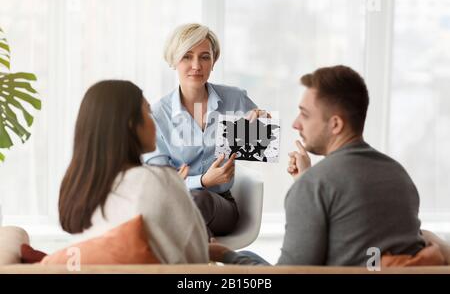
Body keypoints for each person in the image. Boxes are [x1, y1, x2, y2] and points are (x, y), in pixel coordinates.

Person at [209, 65, 427, 266]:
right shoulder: (399, 175)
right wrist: (307, 180)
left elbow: (291, 275)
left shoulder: (313, 186)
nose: (296, 123)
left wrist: (224, 254)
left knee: (239, 260)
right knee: (249, 257)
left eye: (304, 114)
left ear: (335, 124)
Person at [58, 80, 209, 264]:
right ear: (131, 124)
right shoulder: (159, 180)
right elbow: (198, 259)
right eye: (148, 111)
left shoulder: (76, 188)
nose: (154, 120)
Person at [143, 23, 269, 237]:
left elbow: (264, 148)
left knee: (198, 201)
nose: (196, 66)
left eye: (204, 57)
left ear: (213, 61)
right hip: (173, 204)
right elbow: (161, 181)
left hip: (220, 205)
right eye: (187, 57)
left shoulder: (235, 99)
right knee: (189, 215)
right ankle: (207, 254)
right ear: (174, 61)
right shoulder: (157, 115)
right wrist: (202, 181)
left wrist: (262, 127)